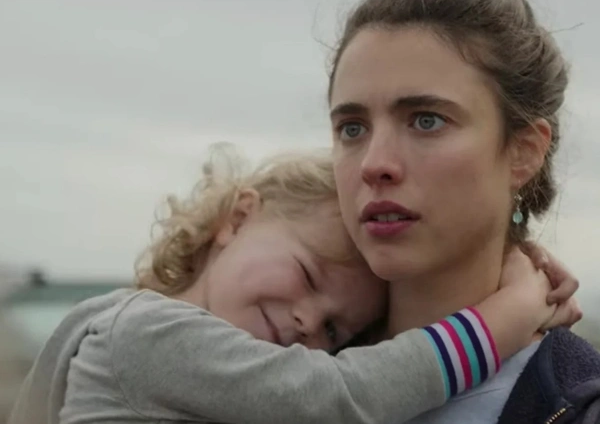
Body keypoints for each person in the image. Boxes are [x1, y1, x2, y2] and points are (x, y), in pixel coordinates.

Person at [9, 148, 579, 424]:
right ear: (237, 220)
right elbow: (346, 392)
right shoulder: (145, 335)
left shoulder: (239, 380)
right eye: (307, 274)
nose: (308, 321)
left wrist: (505, 252)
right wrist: (514, 309)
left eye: (333, 332)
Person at [326, 0, 600, 422]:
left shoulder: (578, 406)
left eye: (427, 120)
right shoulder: (272, 361)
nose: (374, 164)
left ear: (524, 152)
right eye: (352, 128)